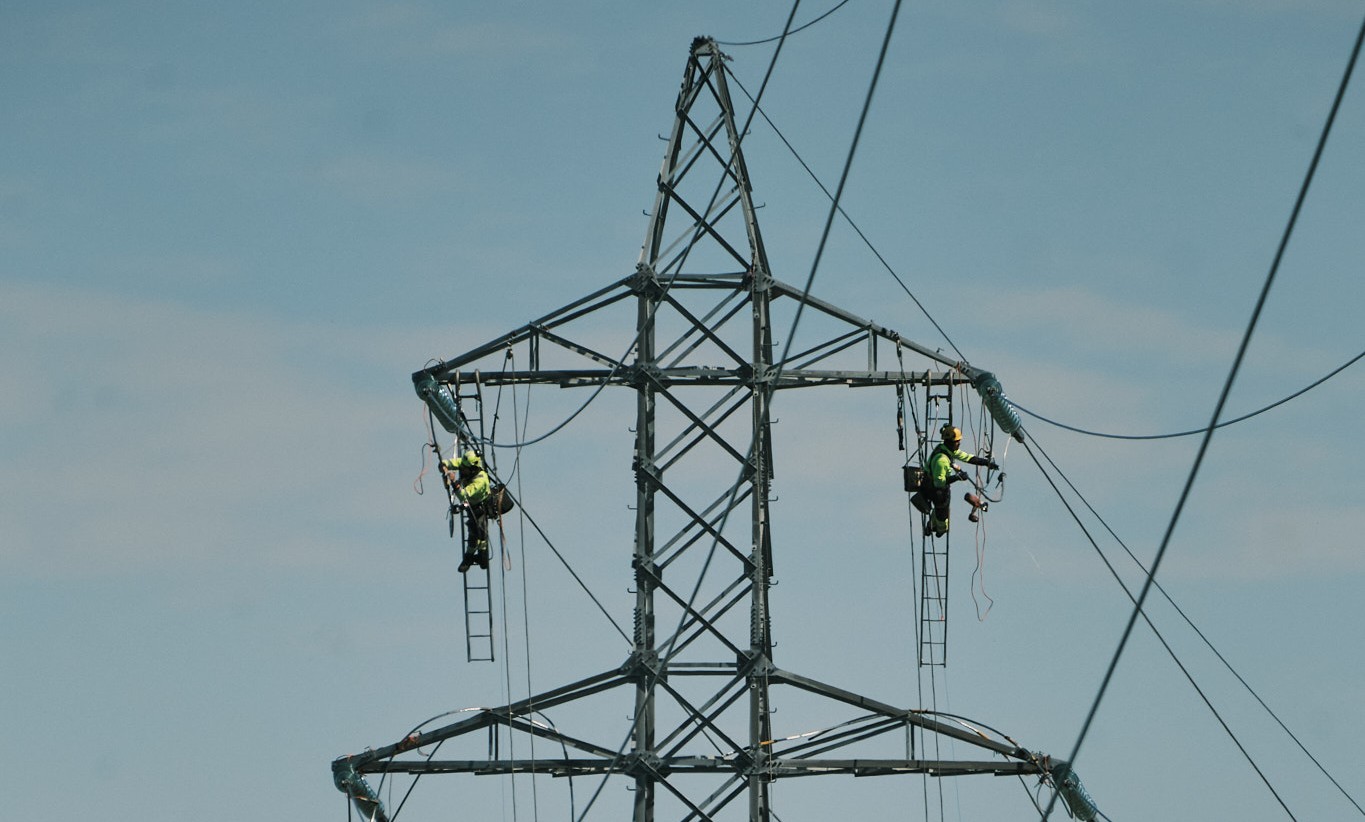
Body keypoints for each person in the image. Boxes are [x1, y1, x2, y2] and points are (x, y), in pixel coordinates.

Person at [923, 424, 998, 537]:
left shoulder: (947, 450)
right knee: (943, 518)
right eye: (957, 441)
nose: (959, 443)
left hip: (937, 486)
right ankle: (939, 529)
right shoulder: (941, 460)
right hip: (935, 490)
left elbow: (967, 457)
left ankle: (931, 525)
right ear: (950, 442)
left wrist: (986, 463)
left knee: (941, 506)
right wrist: (957, 477)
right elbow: (939, 483)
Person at [442, 450, 491, 572]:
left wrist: (454, 482)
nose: (462, 470)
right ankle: (476, 556)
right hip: (471, 505)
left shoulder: (480, 480)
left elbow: (463, 495)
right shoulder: (468, 465)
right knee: (476, 533)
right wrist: (444, 465)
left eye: (465, 469)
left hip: (480, 507)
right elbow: (456, 463)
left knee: (478, 535)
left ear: (473, 469)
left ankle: (477, 557)